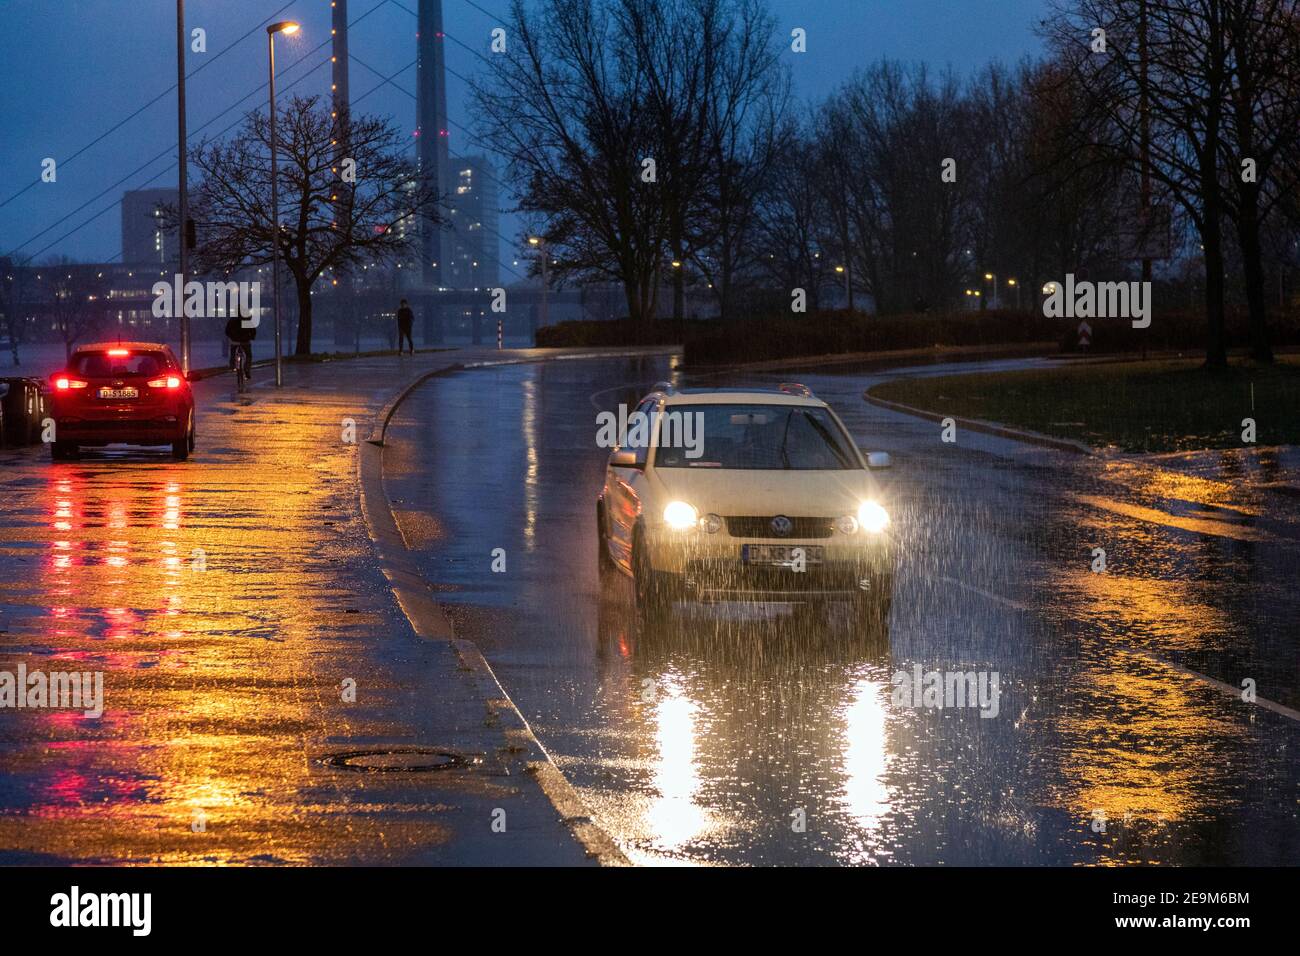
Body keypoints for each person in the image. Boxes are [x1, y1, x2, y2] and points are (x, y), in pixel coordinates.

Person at [225, 313, 256, 380]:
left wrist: (231, 336)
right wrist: (252, 337)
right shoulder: (247, 320)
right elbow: (253, 330)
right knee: (248, 355)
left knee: (233, 352)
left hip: (234, 341)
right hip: (245, 341)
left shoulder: (232, 320)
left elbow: (227, 331)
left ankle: (232, 365)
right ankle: (247, 369)